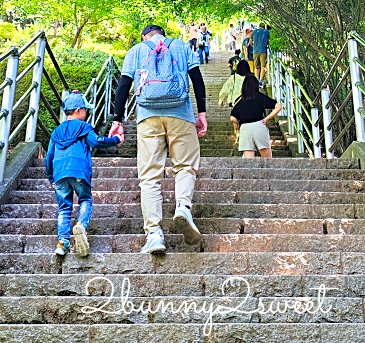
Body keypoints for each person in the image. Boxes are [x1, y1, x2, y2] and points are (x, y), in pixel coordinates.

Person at [110, 24, 208, 255]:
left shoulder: (136, 50)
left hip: (147, 118)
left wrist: (118, 120)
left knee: (150, 177)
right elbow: (197, 80)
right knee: (185, 167)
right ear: (163, 34)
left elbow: (123, 85)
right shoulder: (182, 47)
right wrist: (201, 113)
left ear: (144, 36)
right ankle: (183, 207)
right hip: (181, 115)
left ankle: (154, 233)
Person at [46, 91, 123, 257]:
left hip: (59, 173)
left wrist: (51, 176)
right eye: (85, 110)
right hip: (79, 170)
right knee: (85, 199)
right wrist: (115, 140)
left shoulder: (56, 132)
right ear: (78, 110)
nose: (86, 113)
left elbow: (49, 156)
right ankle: (81, 225)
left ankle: (62, 242)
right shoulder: (84, 127)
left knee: (64, 208)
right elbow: (97, 142)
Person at [230, 74, 281, 158]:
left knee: (249, 161)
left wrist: (239, 123)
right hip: (259, 125)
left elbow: (232, 118)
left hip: (245, 128)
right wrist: (267, 119)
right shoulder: (261, 97)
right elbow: (278, 106)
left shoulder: (240, 99)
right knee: (267, 159)